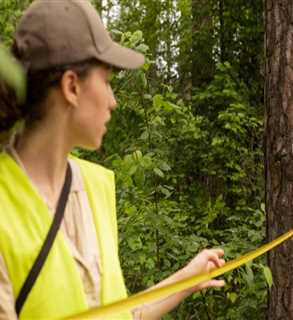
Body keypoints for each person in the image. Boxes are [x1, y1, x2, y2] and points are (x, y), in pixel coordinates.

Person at [0, 1, 225, 319]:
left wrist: (187, 278)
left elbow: (115, 314)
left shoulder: (96, 188)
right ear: (72, 86)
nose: (113, 101)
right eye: (106, 82)